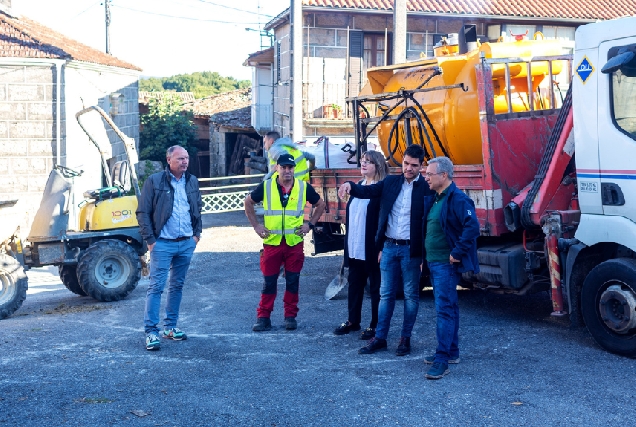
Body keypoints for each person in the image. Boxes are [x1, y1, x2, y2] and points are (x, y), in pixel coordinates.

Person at [338, 144, 433, 356]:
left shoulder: (426, 189)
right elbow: (367, 190)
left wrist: (423, 256)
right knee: (385, 294)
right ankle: (380, 338)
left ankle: (404, 339)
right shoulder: (390, 182)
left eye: (414, 165)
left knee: (411, 296)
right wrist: (349, 185)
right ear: (402, 161)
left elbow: (429, 223)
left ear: (421, 166)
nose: (408, 168)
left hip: (411, 251)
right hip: (389, 247)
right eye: (406, 163)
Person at [245, 153, 326, 331]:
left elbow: (320, 205)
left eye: (290, 167)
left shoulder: (303, 187)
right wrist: (256, 226)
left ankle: (290, 316)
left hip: (294, 242)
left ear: (294, 169)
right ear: (277, 168)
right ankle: (263, 317)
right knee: (269, 282)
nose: (287, 170)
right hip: (272, 242)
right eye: (283, 167)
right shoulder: (266, 186)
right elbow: (248, 202)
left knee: (292, 281)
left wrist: (310, 224)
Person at [136, 145, 202, 351]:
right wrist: (151, 240)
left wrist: (196, 235)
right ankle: (151, 332)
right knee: (156, 287)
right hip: (162, 243)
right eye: (180, 158)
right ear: (169, 160)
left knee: (177, 286)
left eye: (187, 158)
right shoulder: (154, 181)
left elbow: (197, 208)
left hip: (186, 243)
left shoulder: (192, 181)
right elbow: (143, 212)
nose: (185, 162)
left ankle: (170, 327)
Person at [421, 156, 480, 380]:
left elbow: (472, 227)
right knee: (450, 308)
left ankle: (442, 359)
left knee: (444, 310)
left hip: (445, 264)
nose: (426, 177)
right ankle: (451, 352)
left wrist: (456, 252)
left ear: (443, 175)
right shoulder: (437, 198)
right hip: (434, 262)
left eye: (430, 174)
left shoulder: (457, 198)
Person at [333, 150, 388, 339]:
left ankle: (375, 325)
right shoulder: (358, 186)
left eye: (369, 162)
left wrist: (381, 246)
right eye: (362, 161)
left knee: (375, 289)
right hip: (355, 245)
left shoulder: (380, 189)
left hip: (371, 248)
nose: (363, 164)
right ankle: (352, 321)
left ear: (378, 166)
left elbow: (384, 221)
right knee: (354, 285)